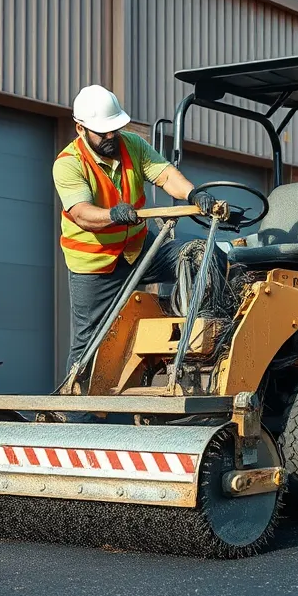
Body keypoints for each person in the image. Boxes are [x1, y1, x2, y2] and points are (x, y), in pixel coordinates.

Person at [53, 84, 225, 379]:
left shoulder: (132, 144)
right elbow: (81, 214)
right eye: (103, 132)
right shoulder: (68, 164)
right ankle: (78, 419)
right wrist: (112, 215)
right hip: (95, 264)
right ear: (80, 129)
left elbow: (166, 174)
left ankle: (204, 335)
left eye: (114, 130)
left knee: (200, 256)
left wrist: (193, 194)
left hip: (138, 248)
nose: (111, 137)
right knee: (89, 343)